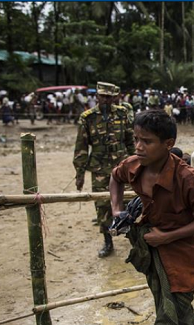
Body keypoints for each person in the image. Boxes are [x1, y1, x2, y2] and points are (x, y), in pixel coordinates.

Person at [109, 109, 194, 325]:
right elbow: (115, 177)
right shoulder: (133, 165)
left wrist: (167, 237)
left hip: (184, 254)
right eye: (136, 139)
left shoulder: (187, 179)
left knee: (172, 313)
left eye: (147, 141)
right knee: (169, 307)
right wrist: (117, 209)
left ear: (168, 144)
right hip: (153, 249)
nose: (138, 147)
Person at [73, 82, 135, 258]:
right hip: (100, 168)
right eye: (103, 96)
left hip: (122, 166)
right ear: (97, 96)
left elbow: (130, 141)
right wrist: (80, 174)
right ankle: (108, 241)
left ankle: (133, 238)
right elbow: (81, 148)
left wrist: (136, 163)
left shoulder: (122, 114)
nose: (106, 100)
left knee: (131, 202)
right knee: (102, 205)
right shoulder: (88, 117)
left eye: (109, 97)